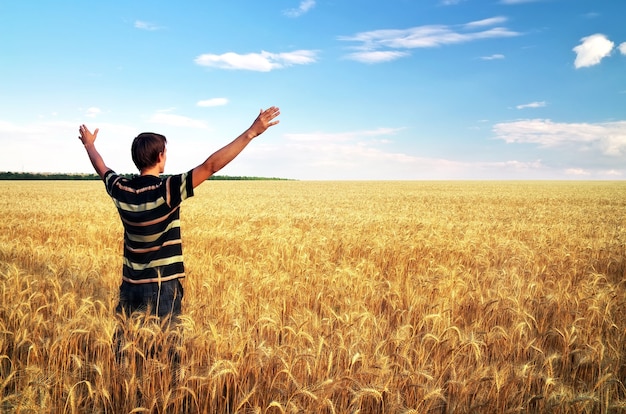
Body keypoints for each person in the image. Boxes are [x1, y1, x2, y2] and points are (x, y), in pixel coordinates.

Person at [78, 106, 280, 322]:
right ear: (160, 156)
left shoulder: (121, 188)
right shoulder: (167, 190)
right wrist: (251, 133)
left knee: (126, 347)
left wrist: (89, 145)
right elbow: (210, 166)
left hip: (130, 286)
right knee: (167, 349)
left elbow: (102, 167)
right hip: (162, 287)